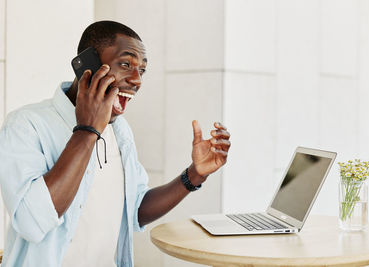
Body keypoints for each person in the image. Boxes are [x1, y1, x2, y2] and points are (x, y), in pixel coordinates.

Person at [0, 21, 231, 267]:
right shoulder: (25, 125)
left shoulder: (120, 131)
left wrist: (194, 175)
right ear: (86, 65)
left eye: (142, 70)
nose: (137, 80)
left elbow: (135, 208)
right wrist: (87, 130)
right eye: (126, 64)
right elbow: (30, 223)